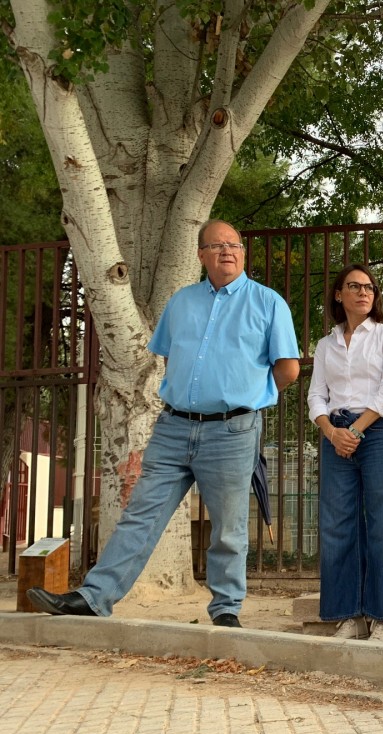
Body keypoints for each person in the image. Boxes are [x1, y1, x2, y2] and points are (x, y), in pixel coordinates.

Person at [28, 220, 301, 627]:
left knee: (228, 526)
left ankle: (226, 610)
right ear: (200, 255)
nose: (227, 251)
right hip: (173, 427)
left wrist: (248, 397)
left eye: (234, 245)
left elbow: (289, 369)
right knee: (140, 513)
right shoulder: (181, 302)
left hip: (232, 430)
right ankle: (94, 597)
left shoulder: (268, 303)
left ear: (242, 253)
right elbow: (171, 360)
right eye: (216, 245)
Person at [307, 264, 383, 642]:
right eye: (354, 286)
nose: (363, 292)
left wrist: (354, 430)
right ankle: (346, 615)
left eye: (369, 287)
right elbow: (316, 395)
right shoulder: (326, 345)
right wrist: (332, 432)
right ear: (339, 295)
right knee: (337, 524)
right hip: (334, 433)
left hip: (378, 432)